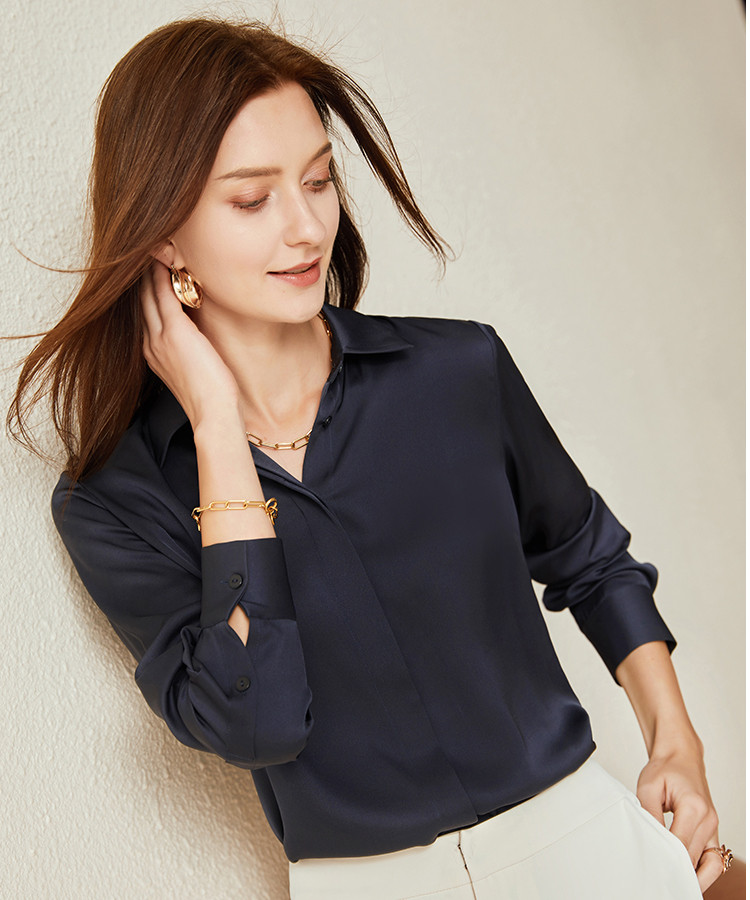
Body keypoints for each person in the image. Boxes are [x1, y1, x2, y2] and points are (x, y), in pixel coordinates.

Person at [7, 16, 731, 899]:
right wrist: (216, 426)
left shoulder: (455, 372)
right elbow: (259, 720)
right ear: (164, 237)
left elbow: (590, 557)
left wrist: (677, 743)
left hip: (585, 850)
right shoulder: (114, 501)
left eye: (318, 181)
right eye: (252, 199)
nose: (306, 227)